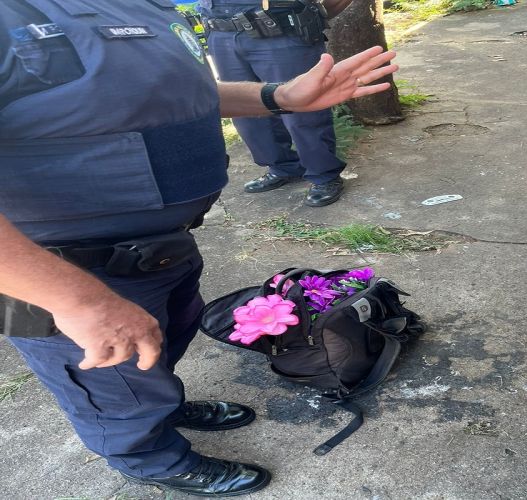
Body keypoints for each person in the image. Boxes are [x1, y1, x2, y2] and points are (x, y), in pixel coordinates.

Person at [0, 0, 397, 496]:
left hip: (164, 246)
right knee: (116, 386)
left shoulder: (138, 4)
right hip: (69, 271)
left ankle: (162, 405)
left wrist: (280, 96)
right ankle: (149, 457)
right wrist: (77, 301)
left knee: (159, 348)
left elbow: (172, 92)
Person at [199, 0, 354, 207]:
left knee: (303, 110)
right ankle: (283, 167)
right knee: (246, 110)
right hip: (220, 31)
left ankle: (323, 174)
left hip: (281, 29)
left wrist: (317, 11)